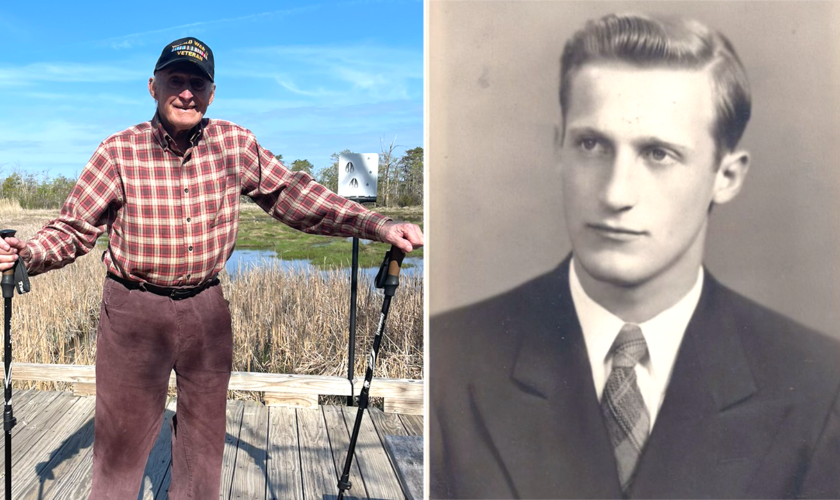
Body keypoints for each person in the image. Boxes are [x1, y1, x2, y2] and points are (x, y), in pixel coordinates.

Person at [430, 13, 840, 499]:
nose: (615, 192)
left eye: (658, 153)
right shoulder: (447, 361)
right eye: (592, 144)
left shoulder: (820, 386)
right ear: (559, 149)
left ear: (726, 176)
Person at [0, 37, 423, 499]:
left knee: (204, 451)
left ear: (212, 93)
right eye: (175, 80)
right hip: (133, 314)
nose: (186, 93)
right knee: (119, 454)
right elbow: (75, 226)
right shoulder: (118, 151)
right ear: (153, 86)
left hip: (207, 310)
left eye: (196, 84)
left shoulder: (235, 144)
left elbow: (293, 195)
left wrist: (377, 224)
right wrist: (26, 254)